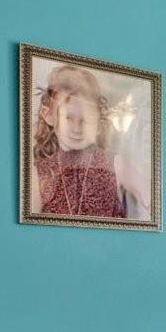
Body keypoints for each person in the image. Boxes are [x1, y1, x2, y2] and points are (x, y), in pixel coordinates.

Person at [32, 64, 127, 219]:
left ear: (98, 121)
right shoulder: (39, 172)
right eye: (68, 118)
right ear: (49, 116)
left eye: (85, 119)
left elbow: (152, 198)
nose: (77, 129)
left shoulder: (116, 164)